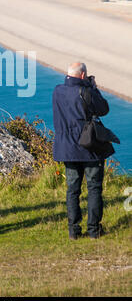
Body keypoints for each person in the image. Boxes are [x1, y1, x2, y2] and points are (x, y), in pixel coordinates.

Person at [52, 62, 110, 240]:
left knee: (72, 189)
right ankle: (93, 230)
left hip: (67, 147)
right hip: (89, 146)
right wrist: (93, 87)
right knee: (93, 187)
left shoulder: (57, 91)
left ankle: (73, 231)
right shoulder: (86, 91)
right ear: (83, 75)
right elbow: (103, 109)